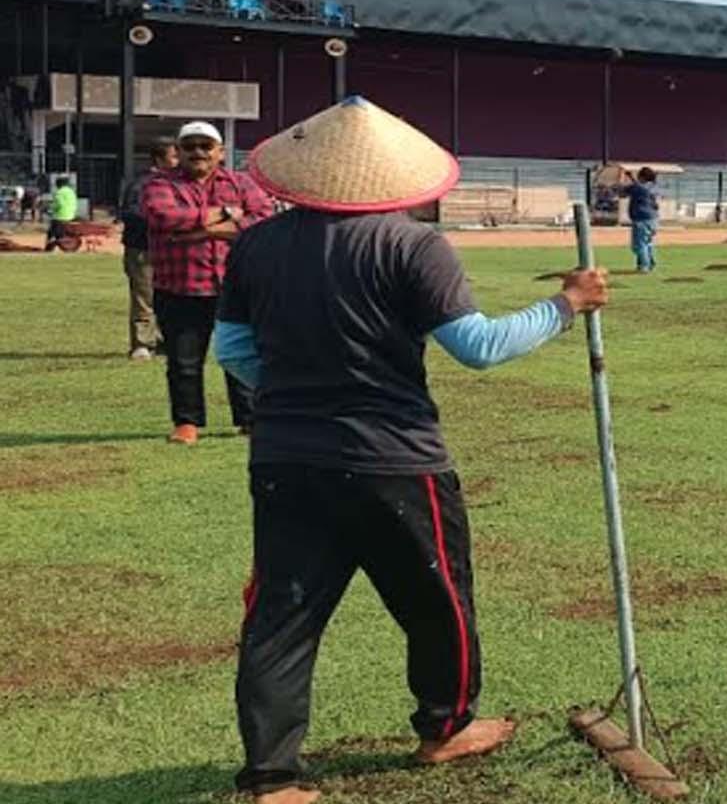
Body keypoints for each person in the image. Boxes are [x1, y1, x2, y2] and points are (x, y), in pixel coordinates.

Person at [213, 96, 609, 804]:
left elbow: (232, 349)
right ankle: (444, 727)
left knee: (281, 614)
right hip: (395, 459)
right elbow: (480, 348)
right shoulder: (412, 246)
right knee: (437, 602)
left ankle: (271, 777)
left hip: (285, 457)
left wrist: (296, 393)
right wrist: (566, 305)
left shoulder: (255, 244)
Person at [140, 121, 275, 444]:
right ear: (178, 151)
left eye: (205, 146)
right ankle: (187, 422)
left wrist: (202, 230)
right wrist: (230, 214)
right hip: (180, 286)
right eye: (190, 147)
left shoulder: (242, 182)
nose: (198, 152)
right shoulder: (159, 184)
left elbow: (264, 219)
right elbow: (164, 217)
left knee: (241, 354)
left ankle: (250, 418)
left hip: (238, 285)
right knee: (184, 360)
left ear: (220, 152)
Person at [122, 137, 181, 358]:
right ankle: (142, 344)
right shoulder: (142, 184)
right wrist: (163, 220)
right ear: (159, 159)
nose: (178, 161)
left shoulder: (177, 183)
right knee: (144, 296)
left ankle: (166, 340)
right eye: (174, 156)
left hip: (170, 249)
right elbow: (130, 213)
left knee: (168, 297)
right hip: (143, 249)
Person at [624, 166, 660, 272]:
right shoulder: (653, 188)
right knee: (647, 243)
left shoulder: (638, 188)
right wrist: (632, 178)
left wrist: (624, 177)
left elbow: (623, 190)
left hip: (641, 219)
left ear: (642, 177)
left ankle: (644, 266)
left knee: (638, 245)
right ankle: (649, 264)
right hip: (653, 219)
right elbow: (639, 186)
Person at [42, 174, 79, 250]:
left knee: (51, 232)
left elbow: (59, 204)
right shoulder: (71, 192)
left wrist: (49, 209)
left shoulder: (59, 192)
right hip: (71, 216)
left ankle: (49, 248)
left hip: (60, 217)